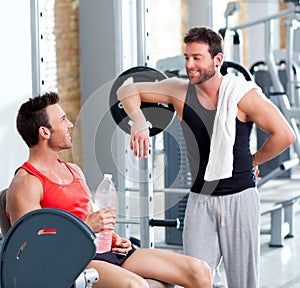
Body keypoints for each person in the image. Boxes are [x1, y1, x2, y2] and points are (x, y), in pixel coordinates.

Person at [117, 26, 296, 288]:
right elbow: (127, 90)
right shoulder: (179, 91)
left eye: (197, 58)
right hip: (200, 199)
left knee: (243, 282)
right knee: (195, 277)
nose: (190, 65)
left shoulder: (243, 96)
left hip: (240, 198)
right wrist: (139, 121)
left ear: (217, 60)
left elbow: (285, 134)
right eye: (187, 57)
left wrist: (254, 160)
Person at [6, 92, 212, 288]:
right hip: (72, 262)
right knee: (136, 285)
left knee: (199, 270)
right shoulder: (26, 183)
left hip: (104, 252)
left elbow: (89, 217)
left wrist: (113, 238)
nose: (70, 125)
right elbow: (31, 251)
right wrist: (87, 226)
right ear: (44, 132)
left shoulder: (74, 171)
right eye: (62, 120)